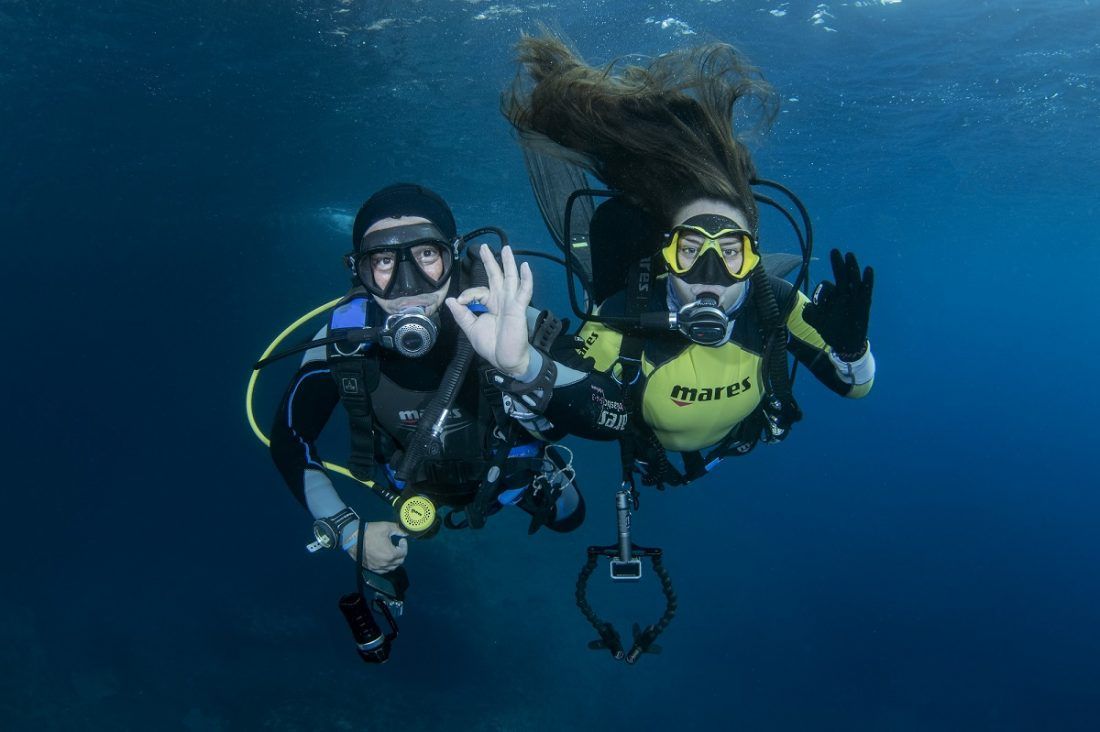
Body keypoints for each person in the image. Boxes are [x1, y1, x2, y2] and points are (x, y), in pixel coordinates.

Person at [446, 35, 876, 491]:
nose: (709, 276)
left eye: (731, 252)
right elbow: (593, 409)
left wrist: (853, 353)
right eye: (691, 250)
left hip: (738, 437)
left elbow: (855, 387)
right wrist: (525, 367)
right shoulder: (624, 317)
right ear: (666, 254)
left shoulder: (778, 305)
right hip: (650, 444)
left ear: (753, 259)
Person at [265, 183, 585, 659]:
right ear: (360, 270)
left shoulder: (508, 317)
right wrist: (349, 533)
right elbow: (290, 439)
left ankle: (541, 480)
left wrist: (525, 367)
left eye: (426, 254)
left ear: (454, 256)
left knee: (572, 519)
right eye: (384, 261)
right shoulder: (343, 338)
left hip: (515, 478)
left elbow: (603, 408)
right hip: (411, 491)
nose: (408, 284)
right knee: (391, 569)